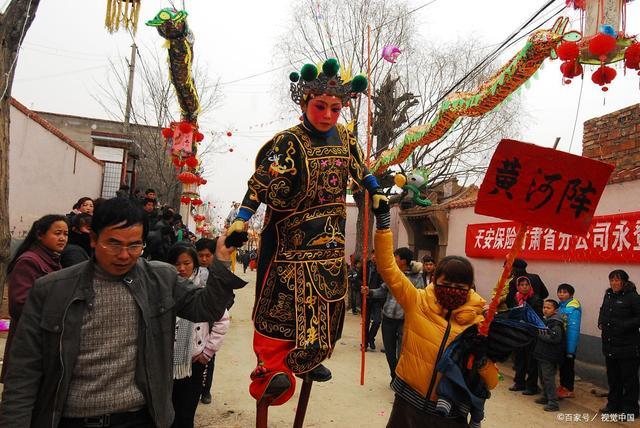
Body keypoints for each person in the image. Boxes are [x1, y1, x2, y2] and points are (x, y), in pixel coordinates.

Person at [0, 197, 246, 428]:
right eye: (114, 243)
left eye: (135, 245)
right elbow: (23, 373)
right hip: (68, 419)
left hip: (140, 418)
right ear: (94, 238)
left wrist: (221, 261)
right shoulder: (51, 290)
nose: (124, 255)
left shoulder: (160, 279)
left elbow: (207, 307)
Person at [225, 58, 386, 407]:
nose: (328, 114)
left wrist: (376, 192)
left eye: (335, 108)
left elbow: (361, 168)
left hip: (330, 238)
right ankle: (270, 370)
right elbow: (261, 184)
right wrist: (241, 218)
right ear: (304, 104)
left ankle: (309, 360)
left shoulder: (344, 137)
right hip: (291, 240)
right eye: (320, 106)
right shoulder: (288, 141)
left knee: (327, 300)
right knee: (282, 303)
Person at [372, 205, 499, 427]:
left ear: (470, 287)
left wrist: (481, 361)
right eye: (446, 284)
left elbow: (492, 382)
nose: (452, 289)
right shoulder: (417, 301)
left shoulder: (479, 324)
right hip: (407, 404)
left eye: (460, 286)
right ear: (435, 280)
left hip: (449, 413)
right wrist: (383, 223)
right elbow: (388, 269)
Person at [167, 244, 230, 428]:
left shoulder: (204, 290)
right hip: (166, 363)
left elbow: (222, 320)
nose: (182, 268)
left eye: (186, 263)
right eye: (176, 263)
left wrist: (207, 352)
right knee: (166, 411)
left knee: (186, 413)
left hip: (195, 361)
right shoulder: (163, 288)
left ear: (194, 265)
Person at [0, 215, 68, 382]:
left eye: (66, 234)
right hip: (29, 341)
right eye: (57, 233)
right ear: (40, 235)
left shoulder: (52, 261)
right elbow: (19, 305)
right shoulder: (29, 262)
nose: (62, 238)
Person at [371, 247, 424, 383]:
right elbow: (382, 291)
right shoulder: (393, 274)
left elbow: (419, 298)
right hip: (388, 318)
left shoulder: (417, 277)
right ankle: (394, 375)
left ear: (403, 261)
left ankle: (400, 379)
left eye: (396, 257)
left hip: (404, 320)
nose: (394, 259)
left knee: (401, 352)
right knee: (389, 352)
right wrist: (370, 292)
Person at [598, 269, 640, 417]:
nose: (614, 283)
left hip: (628, 345)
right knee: (613, 377)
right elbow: (603, 310)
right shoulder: (608, 294)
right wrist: (600, 322)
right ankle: (614, 405)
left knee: (629, 379)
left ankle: (631, 409)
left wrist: (623, 324)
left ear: (624, 281)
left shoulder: (633, 297)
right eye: (612, 280)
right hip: (610, 343)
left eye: (617, 280)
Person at [507, 276, 543, 395]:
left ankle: (531, 386)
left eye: (526, 285)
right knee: (519, 359)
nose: (524, 287)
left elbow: (538, 316)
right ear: (518, 286)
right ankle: (519, 382)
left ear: (530, 286)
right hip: (518, 332)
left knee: (531, 361)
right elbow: (512, 311)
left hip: (531, 333)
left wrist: (525, 318)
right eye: (521, 285)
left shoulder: (536, 298)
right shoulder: (515, 297)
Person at [194, 237, 218, 405]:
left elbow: (228, 297)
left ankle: (206, 390)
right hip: (192, 317)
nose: (203, 259)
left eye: (207, 255)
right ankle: (193, 389)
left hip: (211, 319)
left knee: (209, 355)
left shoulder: (218, 273)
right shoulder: (190, 270)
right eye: (200, 255)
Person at [532, 299, 565, 412]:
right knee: (542, 377)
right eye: (544, 307)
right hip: (541, 354)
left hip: (549, 356)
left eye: (548, 308)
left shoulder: (556, 323)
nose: (545, 310)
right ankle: (545, 396)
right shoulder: (545, 321)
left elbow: (555, 338)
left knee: (548, 378)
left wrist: (540, 335)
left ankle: (553, 402)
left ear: (555, 310)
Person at [556, 283, 581, 399]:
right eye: (560, 292)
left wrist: (570, 350)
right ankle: (563, 386)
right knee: (562, 365)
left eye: (564, 292)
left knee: (568, 367)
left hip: (568, 343)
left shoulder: (572, 309)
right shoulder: (562, 307)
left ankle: (569, 389)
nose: (561, 294)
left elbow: (573, 330)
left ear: (571, 294)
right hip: (562, 342)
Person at [364, 250, 384, 351]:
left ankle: (371, 338)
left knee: (377, 321)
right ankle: (365, 343)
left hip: (377, 298)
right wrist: (362, 286)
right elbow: (359, 278)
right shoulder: (365, 266)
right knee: (365, 322)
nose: (374, 257)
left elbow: (383, 284)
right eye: (374, 255)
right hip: (365, 297)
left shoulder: (382, 268)